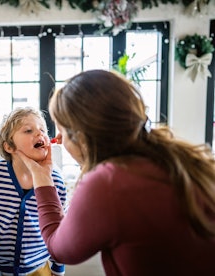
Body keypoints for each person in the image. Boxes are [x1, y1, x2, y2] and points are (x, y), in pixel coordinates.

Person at [16, 69, 215, 276]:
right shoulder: (179, 158)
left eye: (63, 131)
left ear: (82, 137)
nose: (58, 139)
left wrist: (42, 177)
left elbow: (60, 250)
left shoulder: (107, 184)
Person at [0, 107, 67, 276]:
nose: (39, 134)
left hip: (38, 267)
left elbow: (60, 225)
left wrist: (58, 267)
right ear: (9, 147)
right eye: (28, 130)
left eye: (42, 129)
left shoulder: (55, 179)